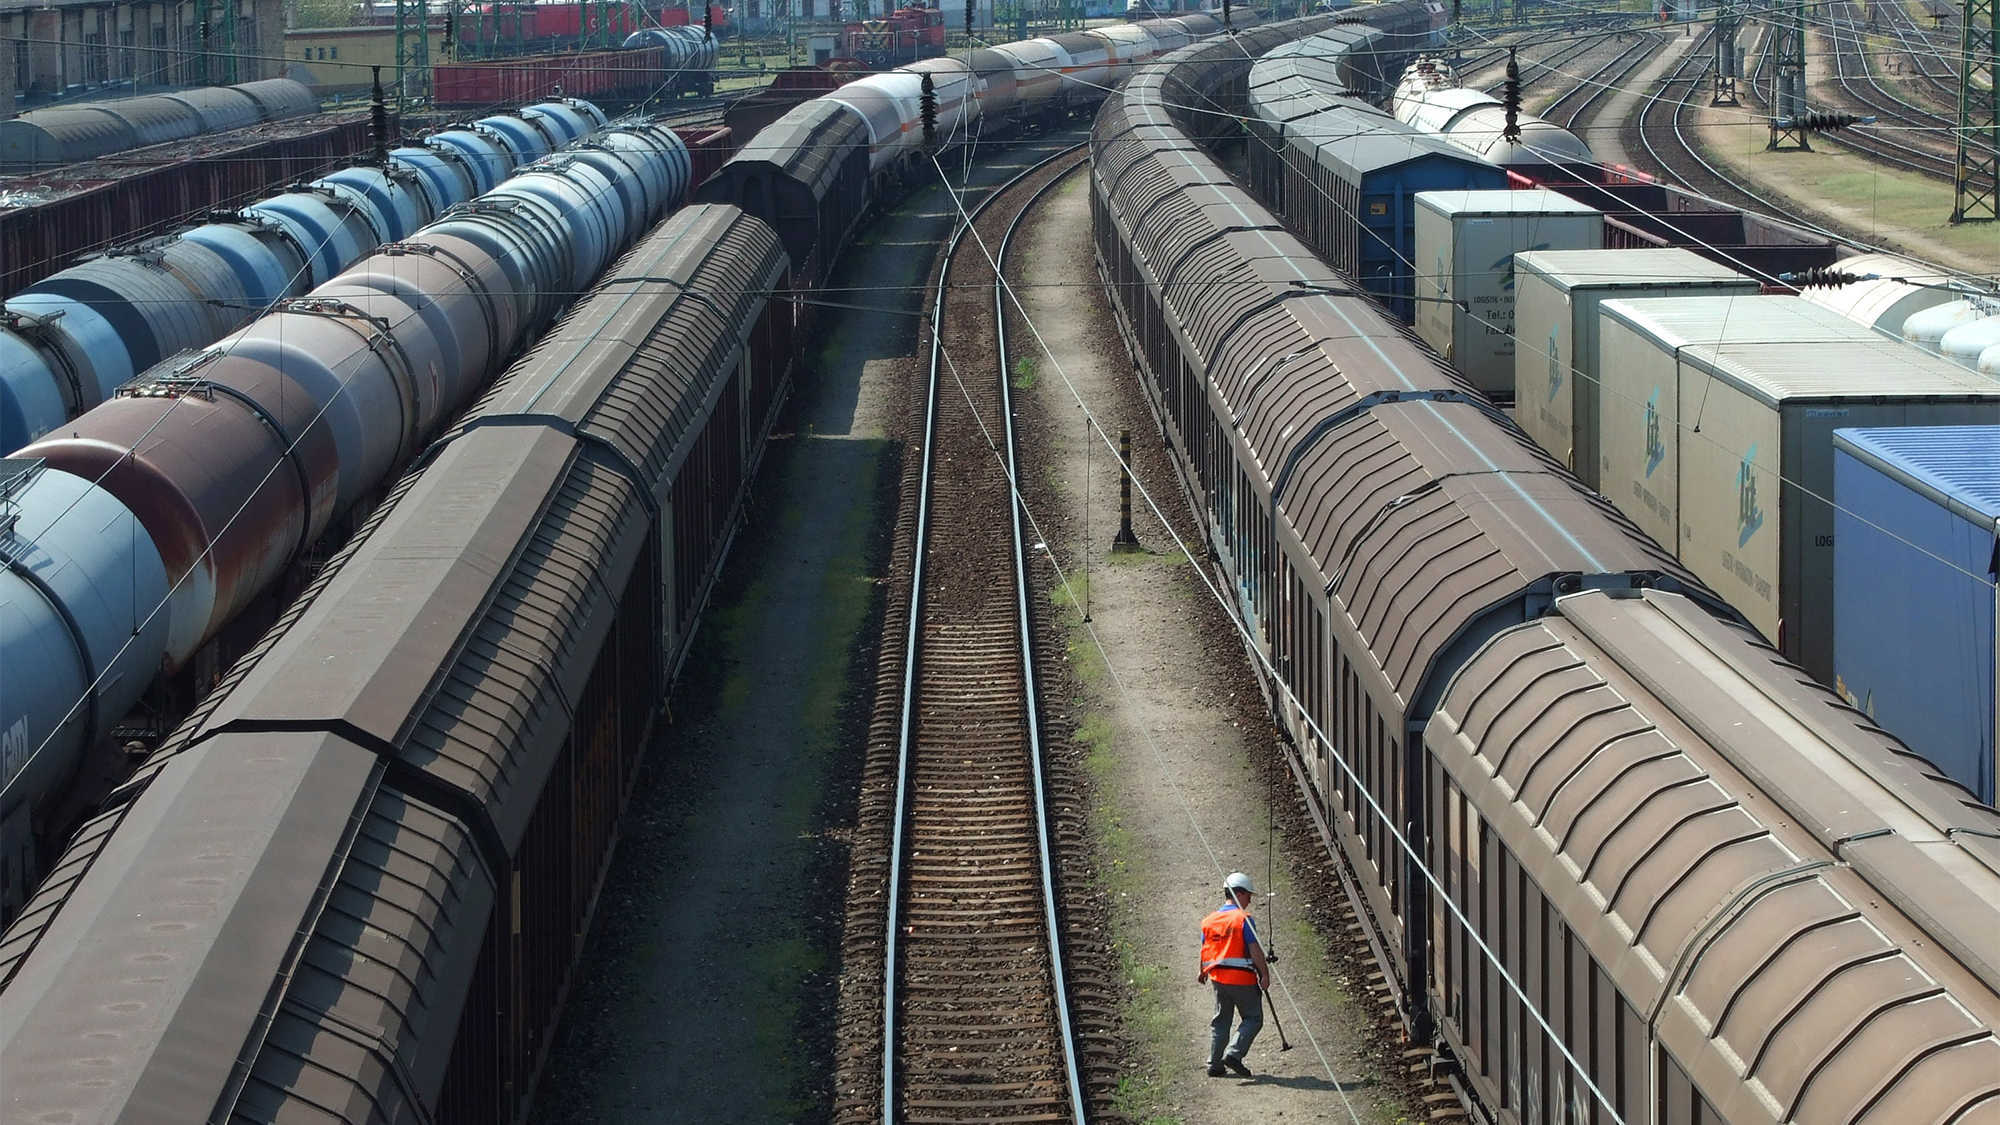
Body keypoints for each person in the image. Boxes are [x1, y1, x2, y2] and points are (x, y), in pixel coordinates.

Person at [1198, 871, 1271, 1077]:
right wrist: (1264, 974)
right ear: (1239, 894)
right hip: (1242, 979)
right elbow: (1254, 949)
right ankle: (1233, 1054)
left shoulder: (1209, 921)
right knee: (1253, 1018)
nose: (1249, 901)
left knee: (1221, 1020)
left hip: (1218, 979)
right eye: (1248, 896)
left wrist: (1202, 971)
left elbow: (1205, 948)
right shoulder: (1242, 919)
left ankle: (1214, 1063)